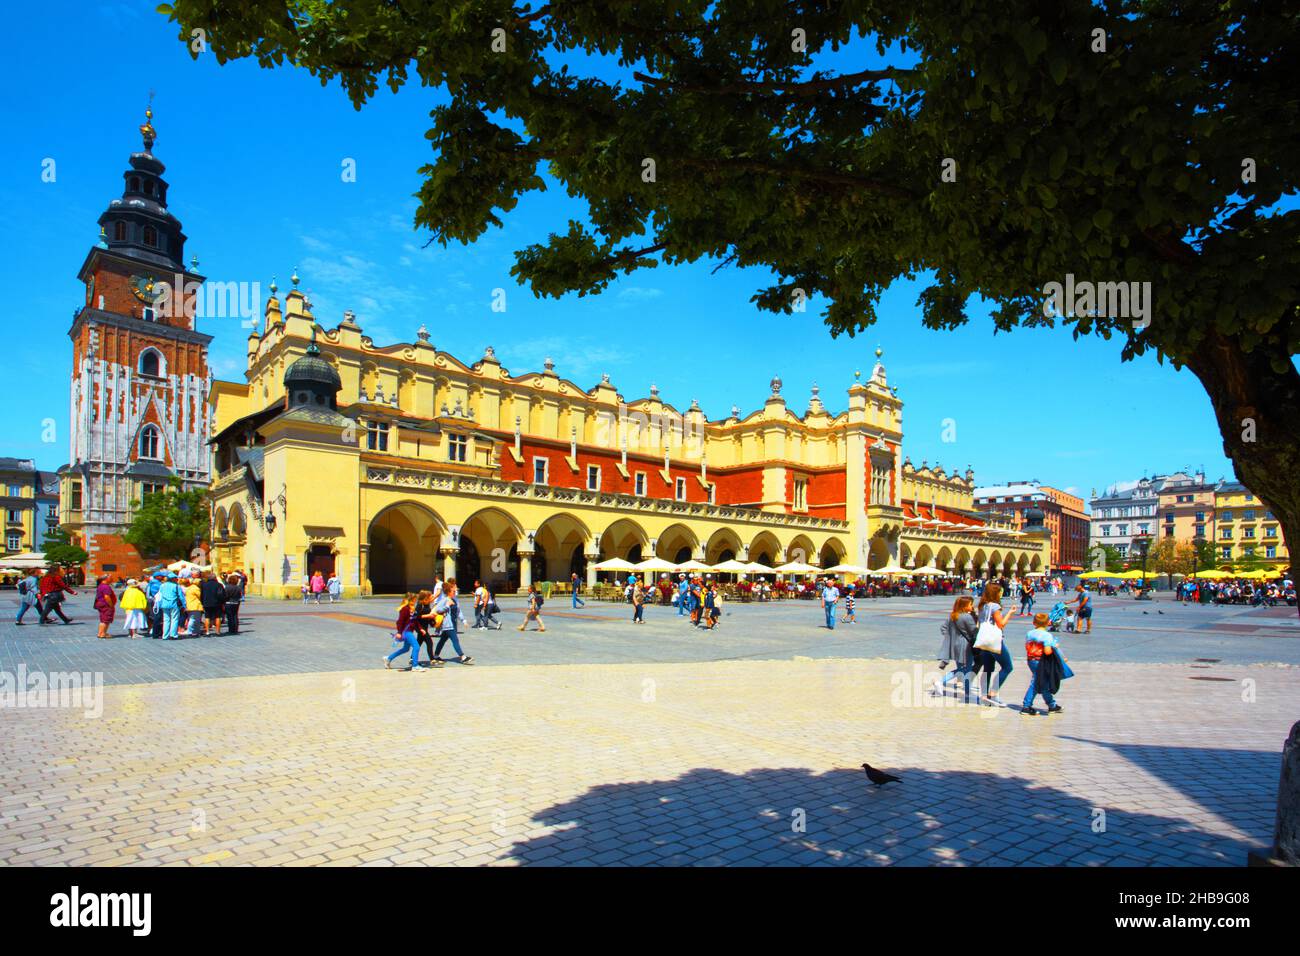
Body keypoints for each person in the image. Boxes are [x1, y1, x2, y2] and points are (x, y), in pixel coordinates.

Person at [975, 583, 1017, 706]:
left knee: (987, 669)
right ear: (995, 593)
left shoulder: (982, 606)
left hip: (983, 641)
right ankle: (993, 693)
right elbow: (1001, 624)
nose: (1001, 593)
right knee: (1008, 667)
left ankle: (983, 696)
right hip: (994, 641)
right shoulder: (995, 606)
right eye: (1000, 591)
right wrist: (1010, 613)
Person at [1021, 611, 1065, 716]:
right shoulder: (1047, 635)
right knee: (1036, 682)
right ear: (1047, 623)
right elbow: (1047, 651)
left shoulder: (1030, 633)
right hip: (1041, 662)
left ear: (1034, 623)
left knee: (1043, 682)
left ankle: (1052, 705)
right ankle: (1026, 706)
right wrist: (1055, 647)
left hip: (1031, 660)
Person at [936, 595, 979, 701]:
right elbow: (974, 632)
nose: (972, 606)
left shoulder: (953, 615)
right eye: (970, 604)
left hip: (954, 645)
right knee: (966, 669)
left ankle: (967, 692)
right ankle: (941, 681)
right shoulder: (967, 617)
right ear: (965, 605)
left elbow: (943, 628)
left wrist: (951, 637)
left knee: (963, 669)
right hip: (965, 646)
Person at [432, 581, 474, 664]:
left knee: (442, 640)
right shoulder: (444, 600)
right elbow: (437, 609)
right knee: (455, 640)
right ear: (448, 592)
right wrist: (447, 605)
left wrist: (463, 620)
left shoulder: (455, 600)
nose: (455, 593)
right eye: (453, 591)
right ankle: (462, 657)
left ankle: (436, 656)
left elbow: (458, 611)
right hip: (447, 624)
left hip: (453, 623)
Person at [384, 593, 423, 671]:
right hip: (406, 632)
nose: (416, 601)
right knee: (416, 646)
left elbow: (415, 621)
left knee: (405, 649)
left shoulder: (412, 609)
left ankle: (388, 658)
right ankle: (415, 666)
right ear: (410, 600)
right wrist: (399, 632)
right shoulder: (405, 609)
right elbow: (399, 621)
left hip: (409, 631)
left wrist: (420, 629)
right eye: (414, 599)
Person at [155, 571, 184, 640]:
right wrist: (184, 605)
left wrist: (158, 605)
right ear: (173, 579)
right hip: (174, 604)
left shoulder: (162, 585)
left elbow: (160, 595)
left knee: (166, 620)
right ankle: (173, 635)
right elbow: (181, 597)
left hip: (164, 604)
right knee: (174, 619)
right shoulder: (176, 586)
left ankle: (165, 635)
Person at [200, 571, 226, 636]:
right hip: (217, 603)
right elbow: (221, 595)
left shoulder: (204, 585)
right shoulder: (219, 585)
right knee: (217, 617)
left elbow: (201, 595)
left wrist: (202, 603)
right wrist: (222, 603)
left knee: (207, 617)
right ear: (215, 578)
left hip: (207, 603)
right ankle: (217, 631)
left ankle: (207, 631)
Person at [93, 574, 117, 639]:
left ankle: (100, 633)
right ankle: (103, 634)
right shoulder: (106, 587)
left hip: (100, 604)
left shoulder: (100, 586)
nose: (112, 579)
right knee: (106, 619)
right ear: (106, 579)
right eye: (111, 578)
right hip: (105, 604)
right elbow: (107, 597)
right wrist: (111, 605)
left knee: (103, 619)